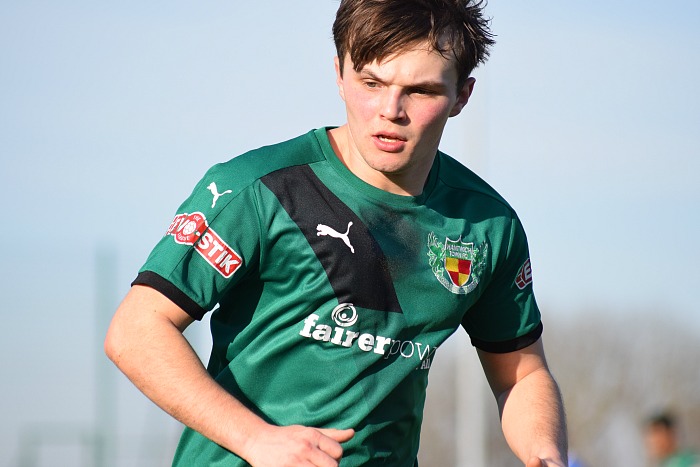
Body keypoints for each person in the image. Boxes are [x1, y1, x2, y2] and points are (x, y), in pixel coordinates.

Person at [104, 0, 568, 465]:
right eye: (371, 83)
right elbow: (137, 331)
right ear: (339, 74)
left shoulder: (487, 224)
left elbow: (521, 376)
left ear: (462, 96)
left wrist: (544, 453)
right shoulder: (258, 186)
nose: (391, 110)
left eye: (421, 91)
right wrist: (255, 439)